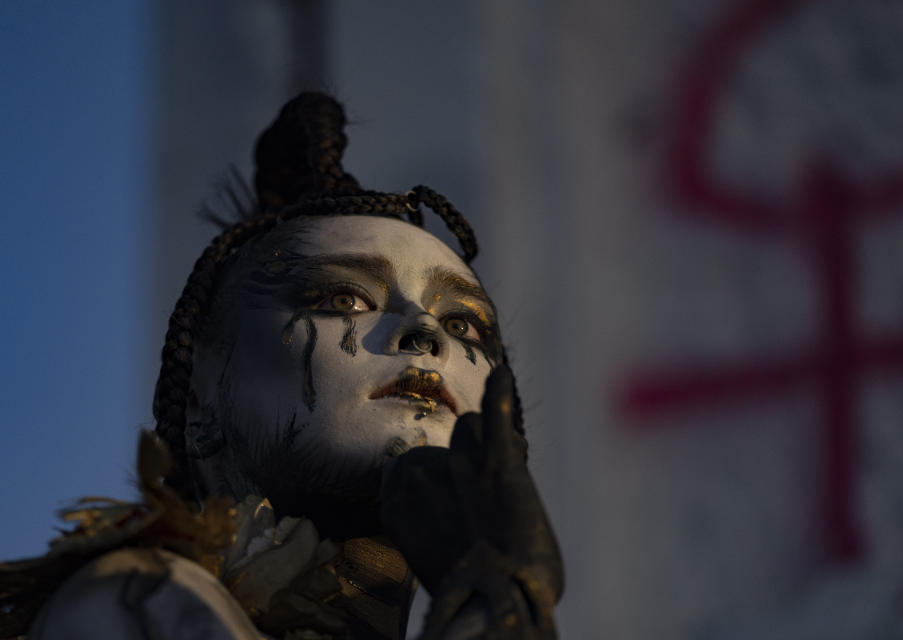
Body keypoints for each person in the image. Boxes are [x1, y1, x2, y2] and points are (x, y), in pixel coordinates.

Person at [1, 93, 562, 639]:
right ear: (200, 397)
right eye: (344, 300)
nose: (425, 333)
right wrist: (501, 597)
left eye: (464, 325)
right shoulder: (140, 606)